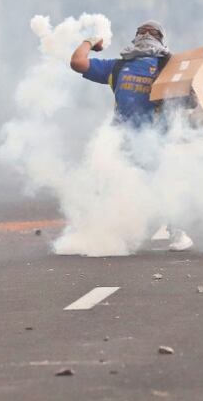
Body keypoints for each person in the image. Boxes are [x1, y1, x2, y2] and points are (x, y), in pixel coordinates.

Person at [69, 21, 193, 251]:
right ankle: (172, 233)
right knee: (151, 186)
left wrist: (90, 42)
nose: (146, 35)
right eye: (144, 32)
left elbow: (77, 61)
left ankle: (106, 233)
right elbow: (191, 101)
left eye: (148, 33)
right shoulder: (169, 68)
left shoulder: (118, 68)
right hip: (142, 142)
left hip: (135, 142)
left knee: (120, 185)